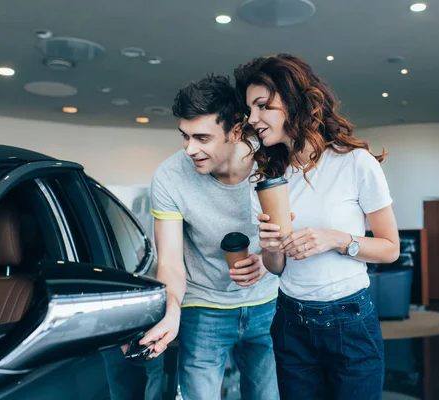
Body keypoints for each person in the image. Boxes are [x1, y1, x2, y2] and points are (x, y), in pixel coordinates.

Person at [234, 54, 400, 400]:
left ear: (294, 103)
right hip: (291, 322)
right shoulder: (266, 180)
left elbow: (389, 248)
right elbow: (276, 268)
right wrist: (270, 247)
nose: (253, 119)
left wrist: (337, 240)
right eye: (250, 109)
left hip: (351, 322)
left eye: (263, 106)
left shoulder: (355, 163)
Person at [140, 74, 280, 400]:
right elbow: (171, 264)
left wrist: (268, 261)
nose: (190, 149)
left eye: (202, 138)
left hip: (268, 305)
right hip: (203, 310)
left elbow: (292, 232)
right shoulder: (169, 177)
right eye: (185, 137)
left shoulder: (273, 163)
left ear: (234, 130)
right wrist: (171, 310)